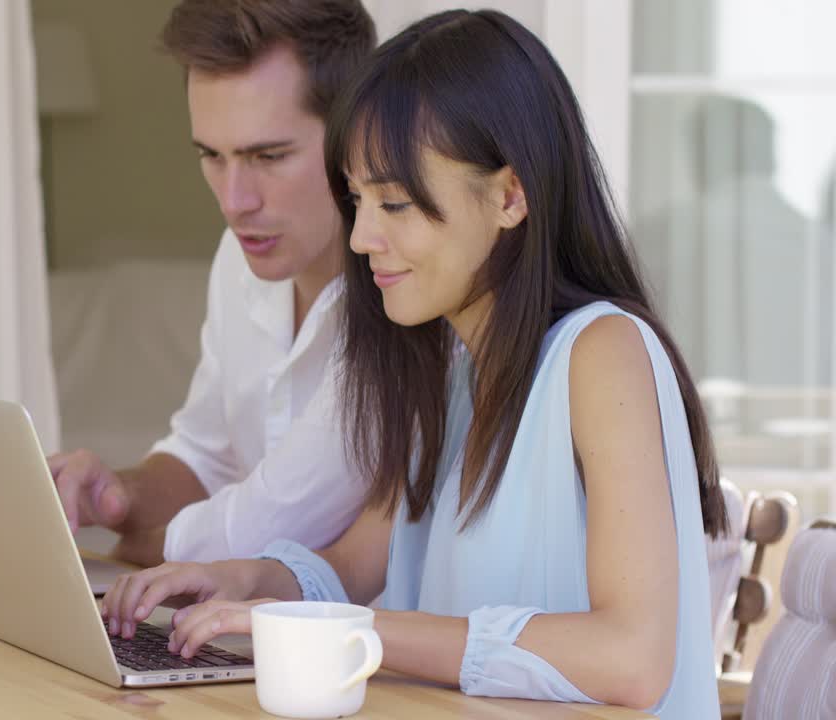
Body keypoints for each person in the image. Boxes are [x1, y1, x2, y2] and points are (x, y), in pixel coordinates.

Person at [99, 10, 728, 718]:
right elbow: (354, 564)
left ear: (510, 194)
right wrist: (240, 582)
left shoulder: (601, 353)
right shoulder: (450, 361)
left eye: (395, 203)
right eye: (357, 199)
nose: (364, 237)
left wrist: (364, 635)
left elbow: (632, 658)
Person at [48, 0, 376, 567]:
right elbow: (205, 457)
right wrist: (120, 496)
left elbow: (261, 527)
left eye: (268, 156)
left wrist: (141, 547)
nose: (234, 202)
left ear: (356, 133)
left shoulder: (405, 294)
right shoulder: (238, 257)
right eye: (212, 156)